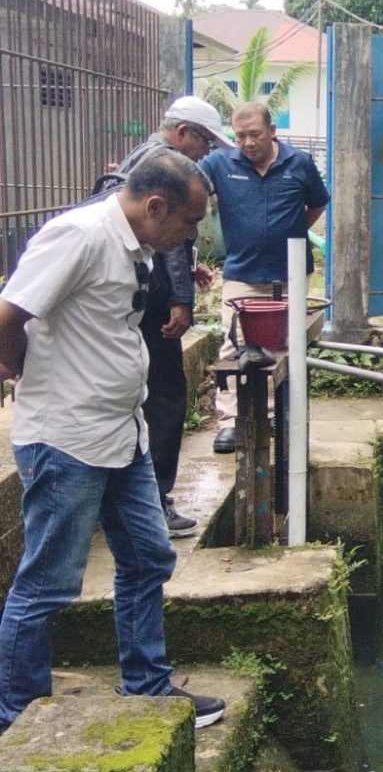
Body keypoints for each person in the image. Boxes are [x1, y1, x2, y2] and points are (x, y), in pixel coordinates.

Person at [0, 150, 226, 733]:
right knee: (47, 584)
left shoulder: (138, 245)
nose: (191, 236)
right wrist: (15, 365)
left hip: (122, 433)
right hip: (67, 438)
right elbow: (8, 313)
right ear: (156, 206)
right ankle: (18, 717)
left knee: (149, 557)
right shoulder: (78, 237)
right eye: (189, 222)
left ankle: (146, 685)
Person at [115, 95, 233, 535]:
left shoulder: (140, 157)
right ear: (183, 132)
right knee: (165, 397)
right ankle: (156, 501)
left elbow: (161, 240)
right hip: (154, 304)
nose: (206, 151)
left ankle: (136, 499)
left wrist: (187, 264)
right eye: (205, 141)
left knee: (142, 395)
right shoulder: (164, 164)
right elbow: (165, 235)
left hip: (138, 296)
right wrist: (181, 298)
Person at [201, 102, 330, 454]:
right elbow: (186, 183)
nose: (247, 142)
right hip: (242, 274)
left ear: (272, 131)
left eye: (255, 134)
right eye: (240, 136)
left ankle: (272, 415)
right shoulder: (219, 164)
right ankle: (230, 421)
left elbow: (317, 203)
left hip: (290, 275)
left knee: (282, 346)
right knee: (234, 345)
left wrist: (292, 231)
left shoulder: (299, 163)